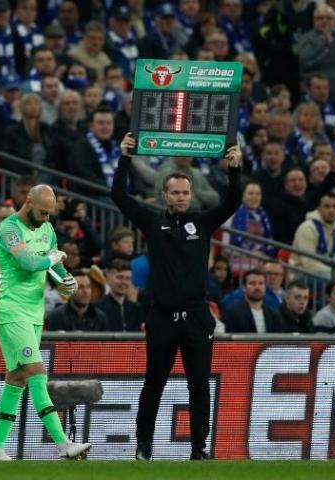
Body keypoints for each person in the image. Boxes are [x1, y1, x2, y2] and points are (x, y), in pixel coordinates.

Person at [113, 132, 242, 461]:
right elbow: (119, 195)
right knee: (154, 382)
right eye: (176, 192)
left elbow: (233, 201)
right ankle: (143, 447)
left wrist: (235, 170)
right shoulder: (153, 222)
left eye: (186, 192)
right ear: (165, 194)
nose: (182, 197)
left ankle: (199, 449)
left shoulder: (204, 222)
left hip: (197, 316)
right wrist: (125, 158)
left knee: (199, 385)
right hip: (161, 315)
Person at [0, 183, 91, 461]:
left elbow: (55, 269)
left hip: (35, 313)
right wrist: (52, 259)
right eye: (43, 213)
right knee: (36, 372)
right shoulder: (7, 229)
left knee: (17, 378)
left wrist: (67, 284)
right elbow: (28, 263)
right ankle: (62, 443)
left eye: (50, 214)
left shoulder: (47, 230)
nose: (47, 219)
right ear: (28, 203)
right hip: (12, 311)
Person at [221, 269, 284, 333]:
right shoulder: (231, 313)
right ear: (244, 287)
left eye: (261, 283)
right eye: (252, 283)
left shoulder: (274, 315)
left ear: (265, 287)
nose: (257, 287)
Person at [95, 259, 144, 332]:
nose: (124, 282)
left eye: (128, 278)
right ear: (108, 278)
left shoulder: (137, 309)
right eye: (120, 277)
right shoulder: (97, 308)